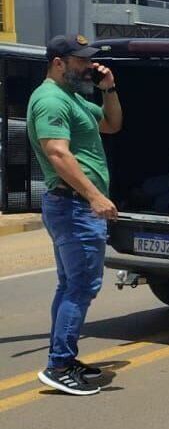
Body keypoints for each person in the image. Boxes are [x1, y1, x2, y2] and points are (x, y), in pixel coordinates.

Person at [27, 34, 122, 396]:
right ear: (58, 62)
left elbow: (112, 125)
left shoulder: (74, 98)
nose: (87, 66)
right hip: (73, 206)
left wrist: (109, 89)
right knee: (82, 285)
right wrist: (95, 196)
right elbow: (57, 153)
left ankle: (64, 358)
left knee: (71, 285)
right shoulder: (51, 100)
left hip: (75, 206)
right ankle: (59, 365)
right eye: (80, 60)